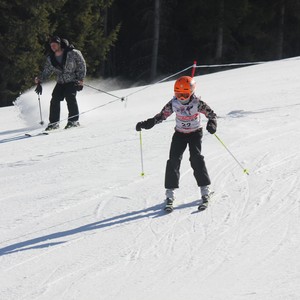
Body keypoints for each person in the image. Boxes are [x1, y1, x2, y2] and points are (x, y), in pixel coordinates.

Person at [136, 76, 217, 211]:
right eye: (178, 94)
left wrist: (212, 124)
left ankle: (205, 190)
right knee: (173, 161)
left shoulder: (198, 103)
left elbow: (211, 114)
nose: (181, 98)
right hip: (179, 134)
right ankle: (170, 194)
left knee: (196, 159)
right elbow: (161, 115)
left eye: (185, 95)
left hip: (195, 133)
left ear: (191, 92)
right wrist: (146, 124)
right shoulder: (173, 103)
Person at [35, 36, 87, 130]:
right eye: (51, 45)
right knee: (54, 98)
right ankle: (54, 123)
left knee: (70, 97)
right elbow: (47, 71)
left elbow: (81, 64)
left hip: (72, 80)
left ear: (59, 44)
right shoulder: (51, 58)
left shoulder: (73, 53)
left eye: (54, 45)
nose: (53, 47)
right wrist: (39, 79)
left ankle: (73, 121)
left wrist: (81, 79)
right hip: (60, 81)